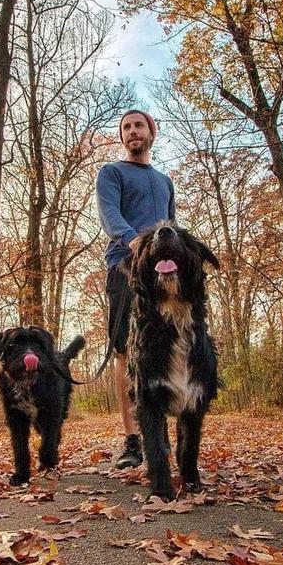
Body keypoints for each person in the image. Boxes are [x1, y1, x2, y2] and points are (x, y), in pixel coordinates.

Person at [95, 109, 175, 469]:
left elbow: (171, 226)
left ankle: (158, 432)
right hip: (125, 266)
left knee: (164, 350)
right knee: (126, 350)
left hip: (163, 272)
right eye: (126, 127)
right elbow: (111, 216)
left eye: (138, 125)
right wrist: (135, 243)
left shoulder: (164, 181)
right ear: (122, 137)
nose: (132, 132)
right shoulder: (112, 173)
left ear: (151, 133)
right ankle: (132, 440)